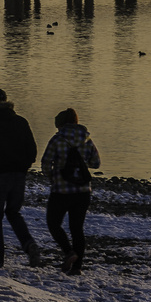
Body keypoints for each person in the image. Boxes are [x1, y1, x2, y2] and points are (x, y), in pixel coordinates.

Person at [0, 88, 41, 268]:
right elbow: (32, 150)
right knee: (13, 213)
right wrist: (23, 167)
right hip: (19, 175)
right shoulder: (21, 121)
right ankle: (29, 244)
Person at [40, 107, 101, 275]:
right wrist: (80, 164)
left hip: (61, 190)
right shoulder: (87, 140)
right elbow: (96, 163)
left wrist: (52, 177)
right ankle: (77, 268)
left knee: (53, 223)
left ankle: (69, 252)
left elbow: (45, 163)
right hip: (83, 191)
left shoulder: (57, 140)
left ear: (61, 124)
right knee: (77, 229)